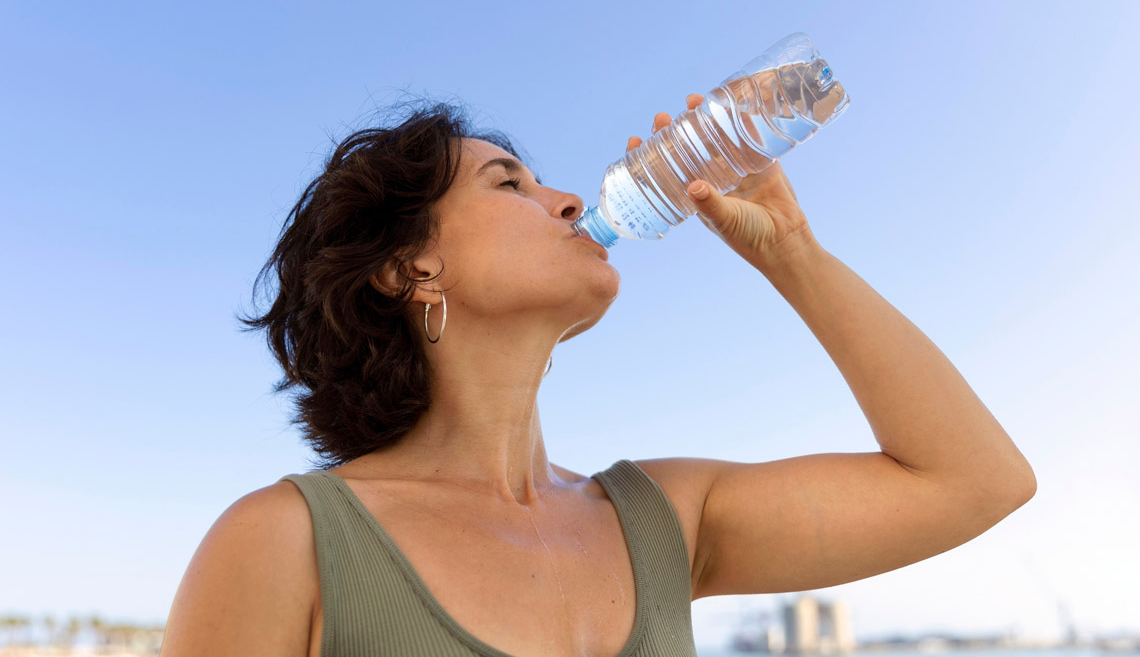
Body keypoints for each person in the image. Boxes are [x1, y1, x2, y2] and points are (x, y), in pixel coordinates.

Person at [159, 95, 1036, 657]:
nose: (569, 200)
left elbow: (977, 482)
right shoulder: (286, 543)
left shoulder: (663, 520)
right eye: (511, 185)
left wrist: (793, 254)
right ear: (409, 268)